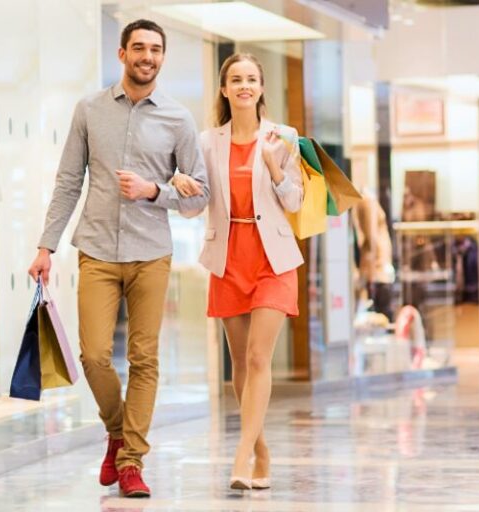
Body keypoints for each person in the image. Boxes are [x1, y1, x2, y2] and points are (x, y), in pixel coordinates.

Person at [27, 19, 209, 498]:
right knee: (93, 354)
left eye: (156, 50)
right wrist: (46, 246)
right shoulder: (89, 110)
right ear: (123, 53)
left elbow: (198, 197)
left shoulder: (178, 119)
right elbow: (69, 181)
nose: (148, 57)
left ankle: (131, 462)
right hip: (99, 251)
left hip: (152, 253)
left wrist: (156, 191)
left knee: (145, 359)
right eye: (140, 48)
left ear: (162, 58)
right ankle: (116, 431)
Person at [191, 53, 303, 491]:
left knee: (259, 357)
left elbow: (293, 202)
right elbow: (198, 203)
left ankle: (240, 455)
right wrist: (182, 187)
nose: (244, 86)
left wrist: (275, 166)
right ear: (224, 89)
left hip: (273, 259)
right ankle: (262, 451)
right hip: (228, 257)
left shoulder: (283, 136)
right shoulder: (207, 141)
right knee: (239, 363)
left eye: (251, 79)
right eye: (235, 79)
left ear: (260, 88)